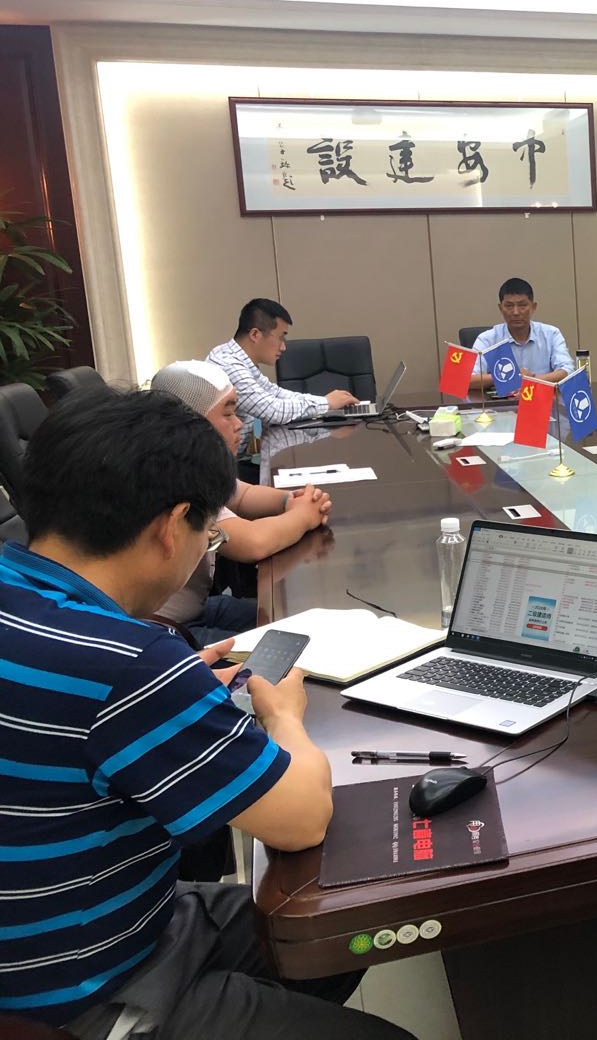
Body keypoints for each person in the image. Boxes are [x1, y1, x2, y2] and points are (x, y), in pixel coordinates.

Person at [0, 389, 410, 1039]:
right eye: (209, 534)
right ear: (171, 527)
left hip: (85, 923)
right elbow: (302, 819)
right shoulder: (131, 665)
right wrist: (283, 713)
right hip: (80, 989)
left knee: (330, 933)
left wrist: (176, 686)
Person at [149, 361, 333, 645]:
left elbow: (241, 494)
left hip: (199, 609)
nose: (239, 424)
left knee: (297, 627)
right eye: (228, 413)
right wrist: (303, 516)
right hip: (168, 631)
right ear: (191, 423)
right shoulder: (178, 477)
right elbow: (253, 543)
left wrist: (289, 500)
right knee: (289, 649)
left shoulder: (195, 464)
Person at [207, 298, 359, 431]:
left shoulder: (238, 358)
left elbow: (276, 394)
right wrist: (326, 403)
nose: (283, 347)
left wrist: (325, 402)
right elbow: (273, 411)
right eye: (281, 338)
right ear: (255, 335)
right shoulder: (229, 364)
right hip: (237, 455)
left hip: (251, 447)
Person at [469, 277, 574, 389]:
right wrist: (508, 377)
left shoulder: (551, 334)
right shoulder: (487, 339)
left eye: (522, 305)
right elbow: (468, 379)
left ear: (533, 307)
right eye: (509, 306)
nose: (516, 312)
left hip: (541, 398)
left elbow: (567, 370)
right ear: (500, 308)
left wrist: (532, 381)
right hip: (501, 400)